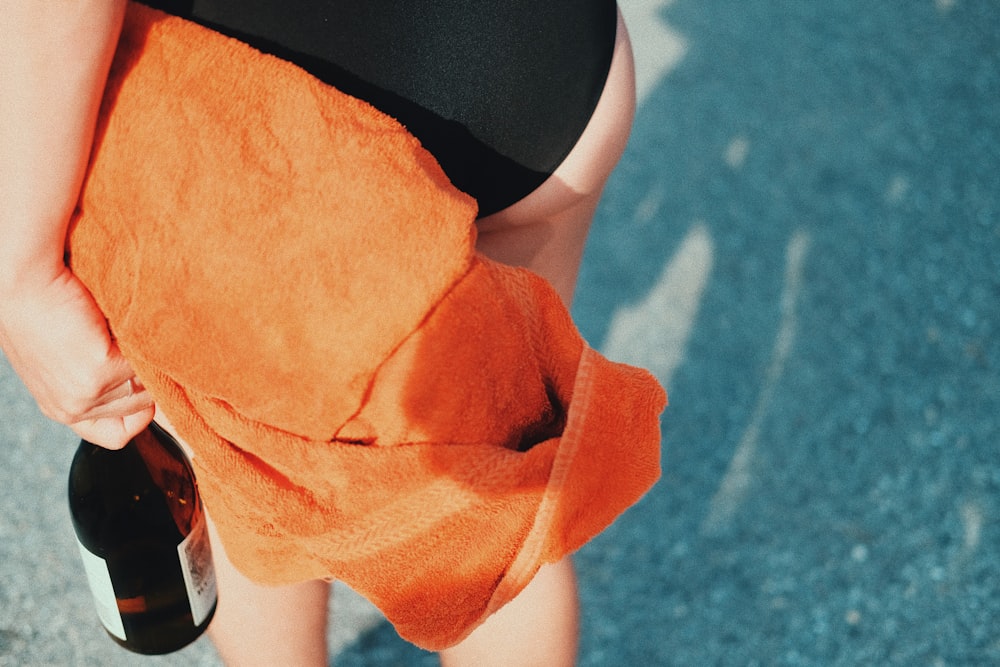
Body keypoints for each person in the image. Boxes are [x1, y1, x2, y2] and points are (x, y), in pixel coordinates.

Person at [0, 1, 636, 664]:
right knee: (494, 505)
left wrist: (22, 278)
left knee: (255, 487)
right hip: (538, 53)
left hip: (273, 101)